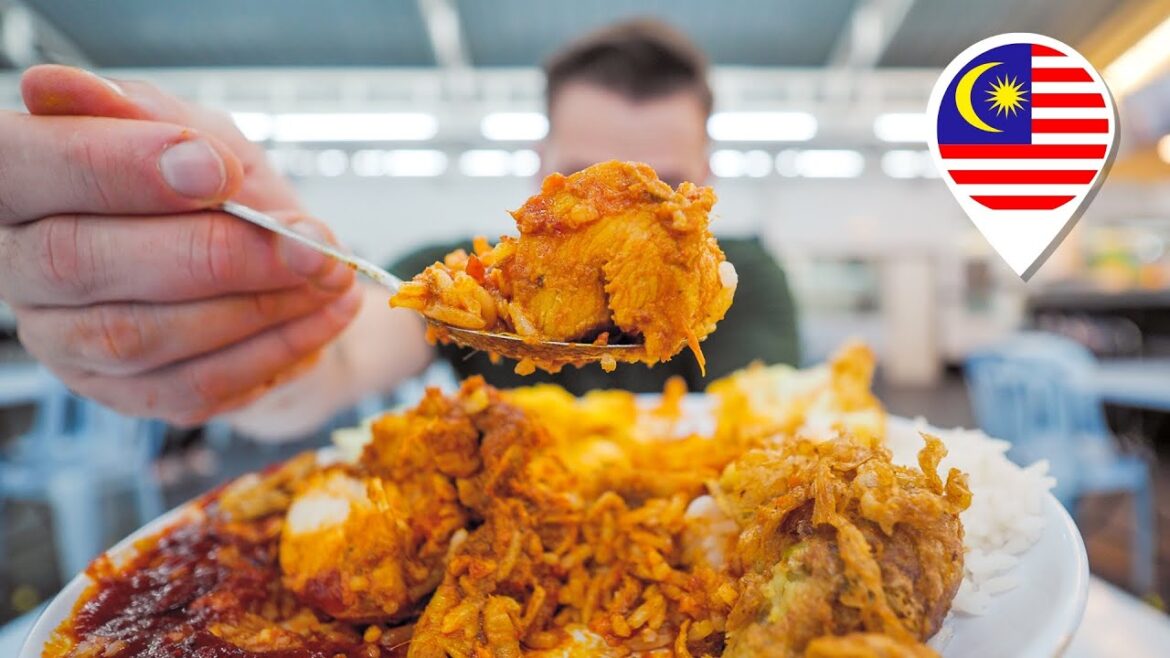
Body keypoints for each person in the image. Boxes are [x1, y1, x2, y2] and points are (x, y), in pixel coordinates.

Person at [0, 19, 798, 439]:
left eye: (667, 192)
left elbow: (766, 426)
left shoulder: (750, 277)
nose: (626, 232)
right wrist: (248, 339)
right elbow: (328, 369)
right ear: (541, 172)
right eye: (590, 190)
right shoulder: (456, 280)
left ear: (710, 178)